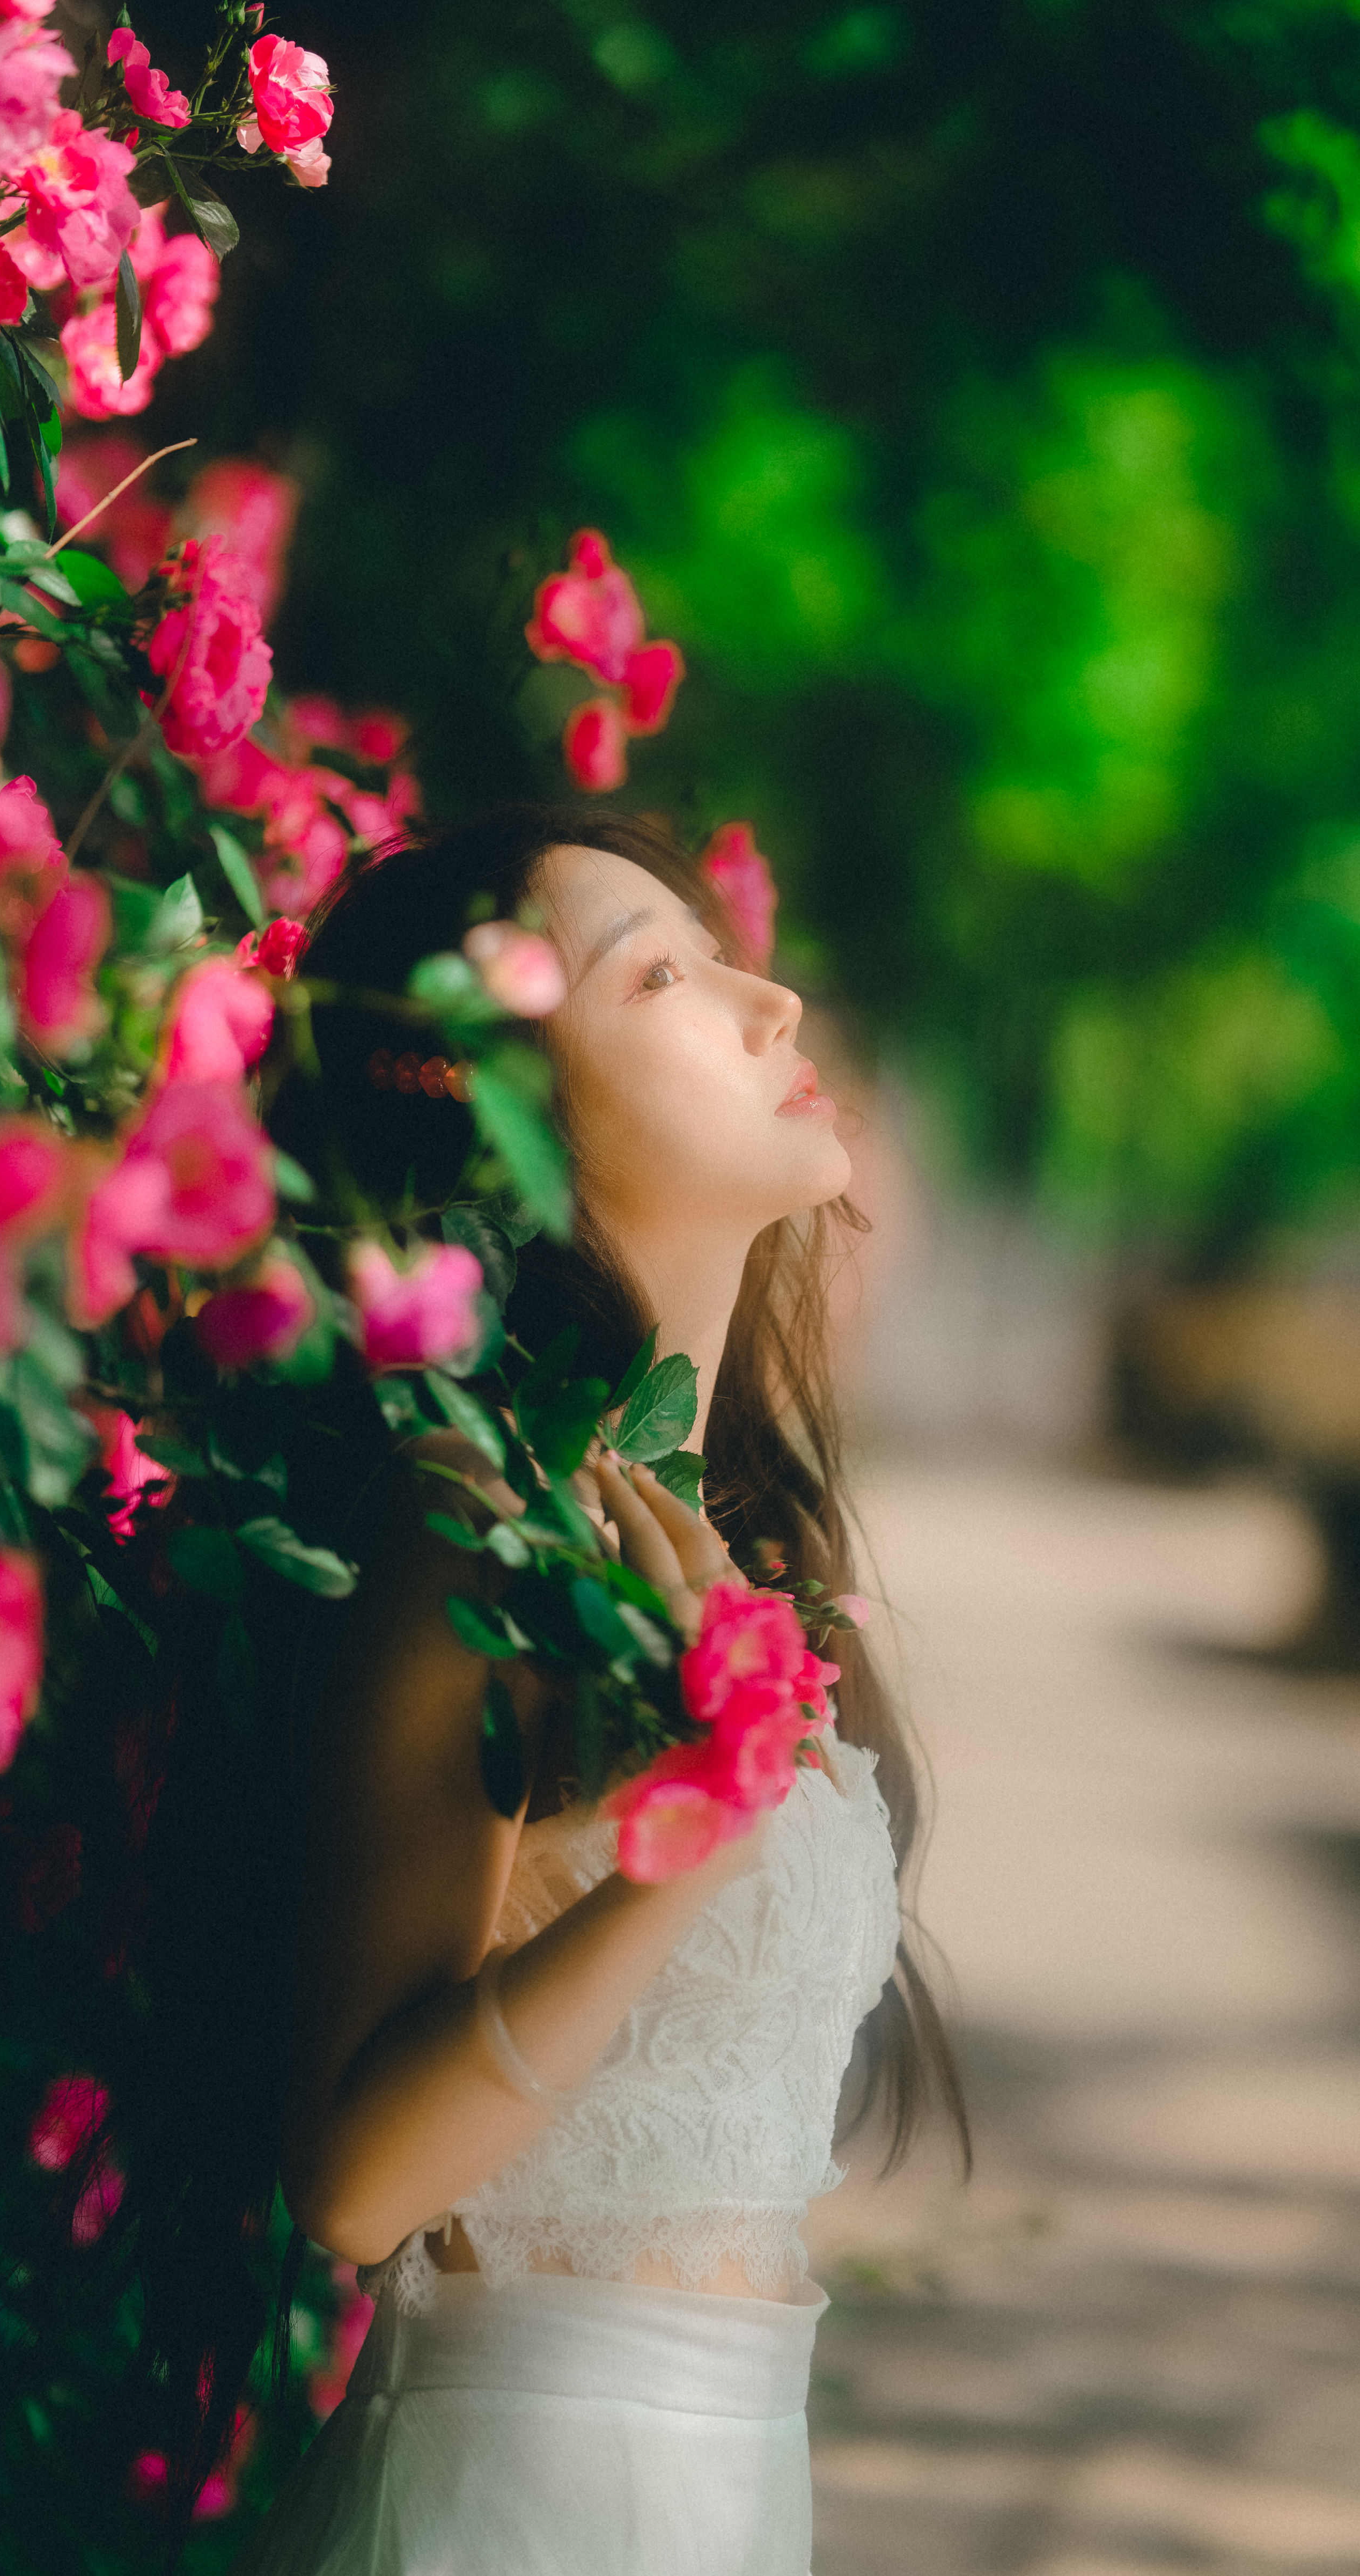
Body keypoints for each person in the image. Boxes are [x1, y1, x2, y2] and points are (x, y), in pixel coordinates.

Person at [227, 805, 967, 2576]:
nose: (770, 999)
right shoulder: (471, 1524)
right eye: (666, 974)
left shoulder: (713, 1543)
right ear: (511, 1125)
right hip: (506, 2505)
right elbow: (353, 2183)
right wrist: (679, 1847)